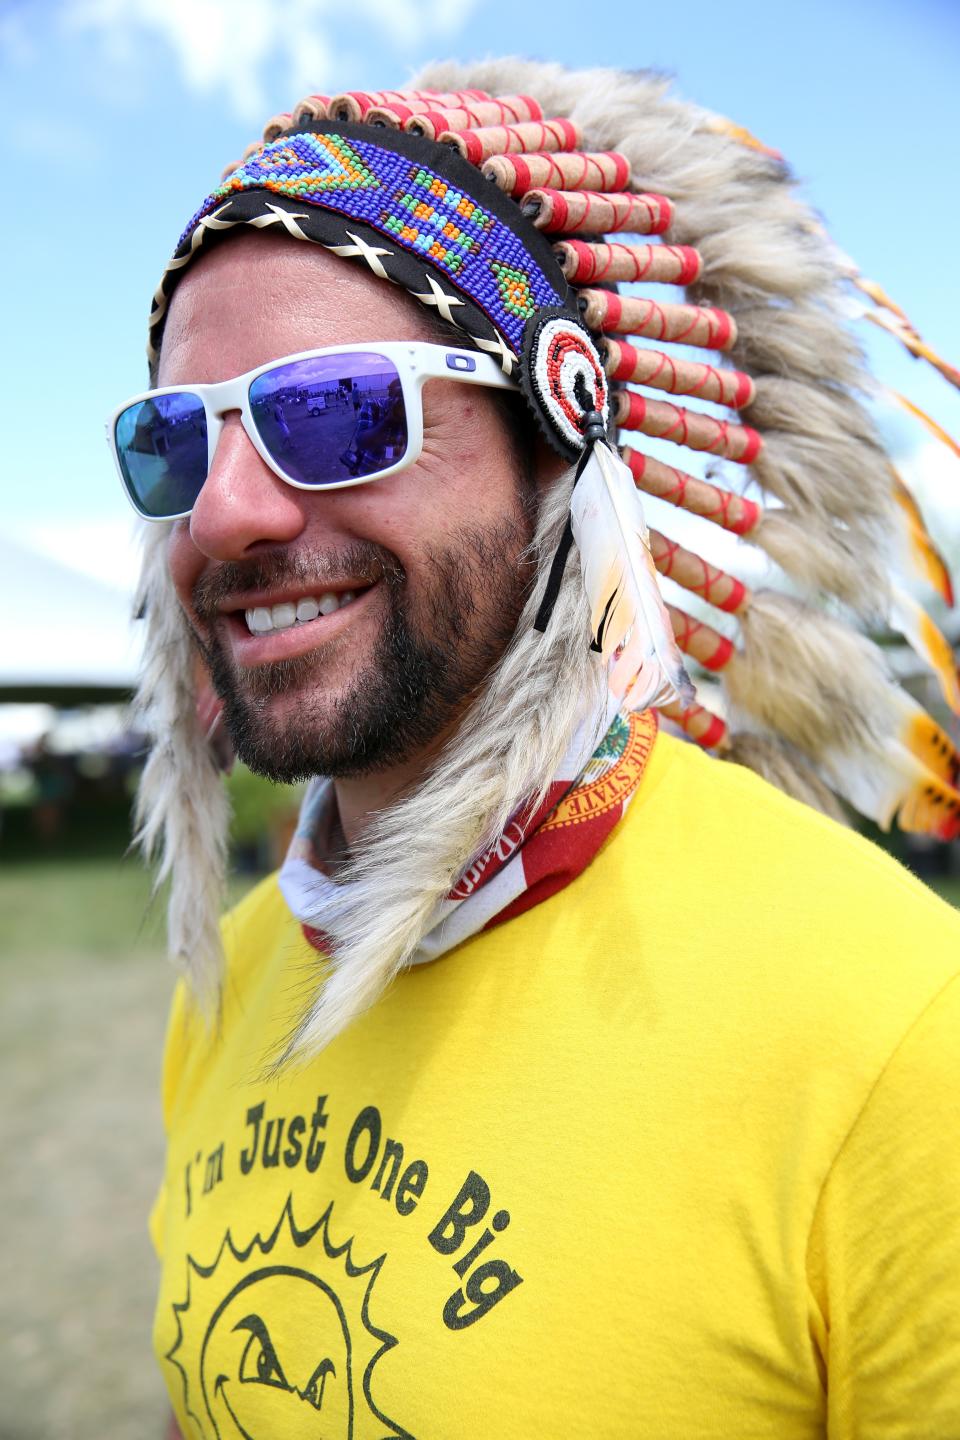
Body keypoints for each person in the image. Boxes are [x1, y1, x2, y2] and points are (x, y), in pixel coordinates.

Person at [115, 63, 960, 1438]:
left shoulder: (899, 1029)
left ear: (561, 445)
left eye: (334, 410)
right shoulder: (237, 970)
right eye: (173, 442)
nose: (222, 517)